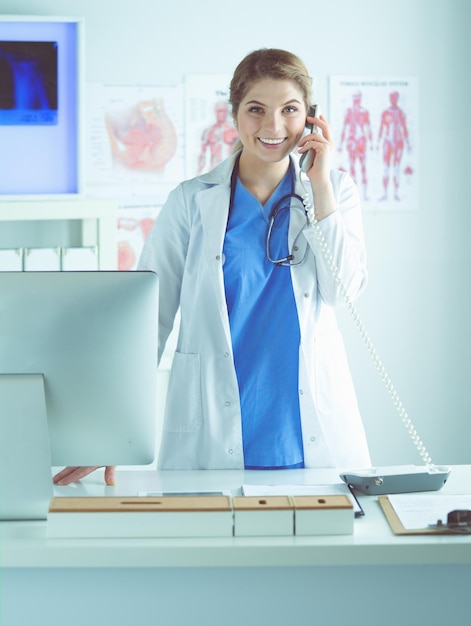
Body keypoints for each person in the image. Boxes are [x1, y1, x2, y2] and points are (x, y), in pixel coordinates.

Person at [54, 48, 371, 486]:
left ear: (311, 119)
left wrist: (319, 185)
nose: (273, 126)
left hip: (309, 437)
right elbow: (148, 318)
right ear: (234, 115)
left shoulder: (334, 191)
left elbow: (344, 291)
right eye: (256, 109)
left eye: (290, 110)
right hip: (212, 436)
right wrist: (112, 427)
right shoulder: (191, 200)